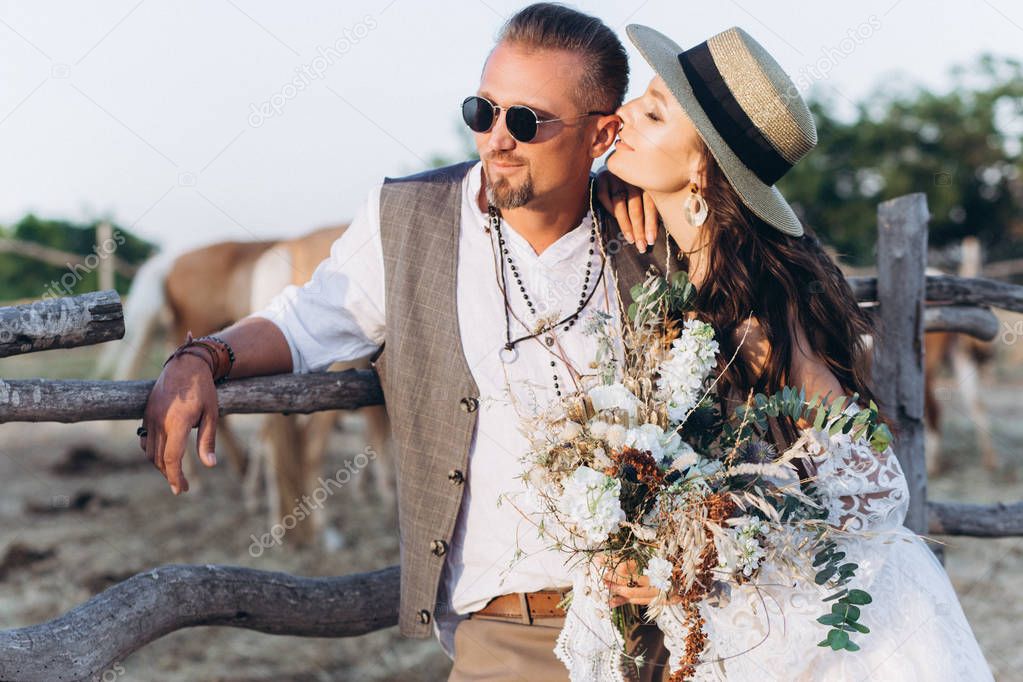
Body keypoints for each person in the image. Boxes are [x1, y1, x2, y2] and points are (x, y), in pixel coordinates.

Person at [138, 4, 679, 681]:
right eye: (482, 111)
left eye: (526, 121)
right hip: (514, 631)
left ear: (601, 134)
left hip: (678, 624)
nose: (496, 139)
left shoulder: (649, 226)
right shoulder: (410, 220)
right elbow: (304, 321)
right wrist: (201, 358)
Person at [593, 23, 994, 680]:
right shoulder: (681, 266)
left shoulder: (751, 302)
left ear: (699, 167)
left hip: (825, 630)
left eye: (655, 110)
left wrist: (704, 550)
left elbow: (868, 482)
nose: (626, 112)